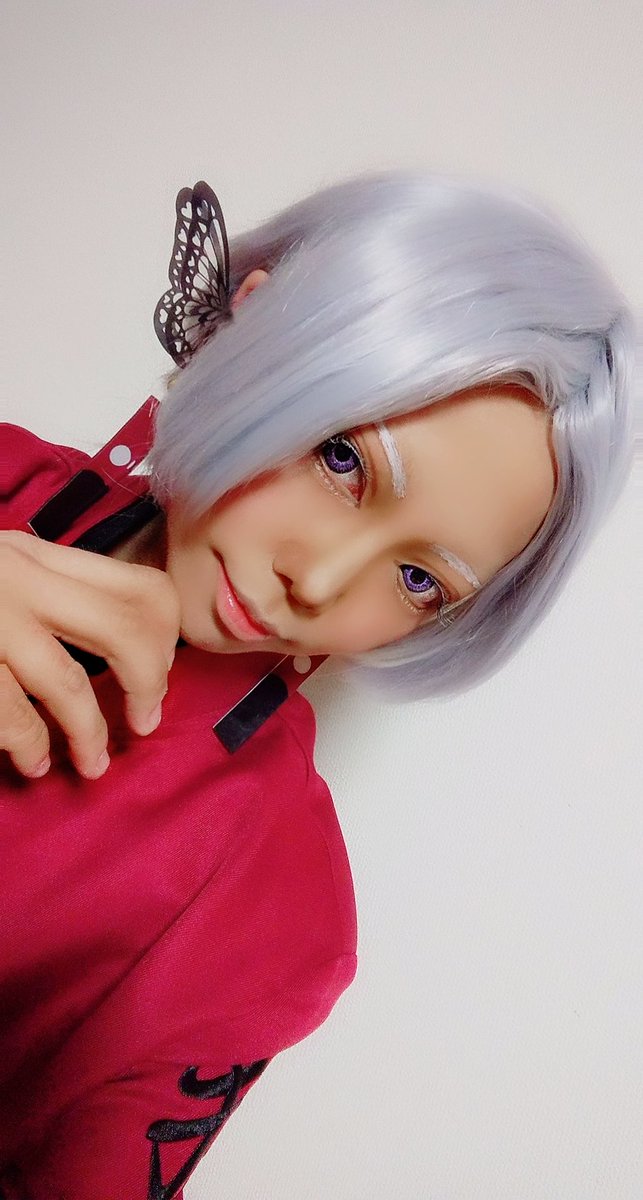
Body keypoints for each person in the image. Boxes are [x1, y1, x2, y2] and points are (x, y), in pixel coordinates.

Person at [0, 172, 635, 1198]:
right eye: (344, 459)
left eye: (420, 580)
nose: (321, 582)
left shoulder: (268, 911)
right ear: (253, 328)